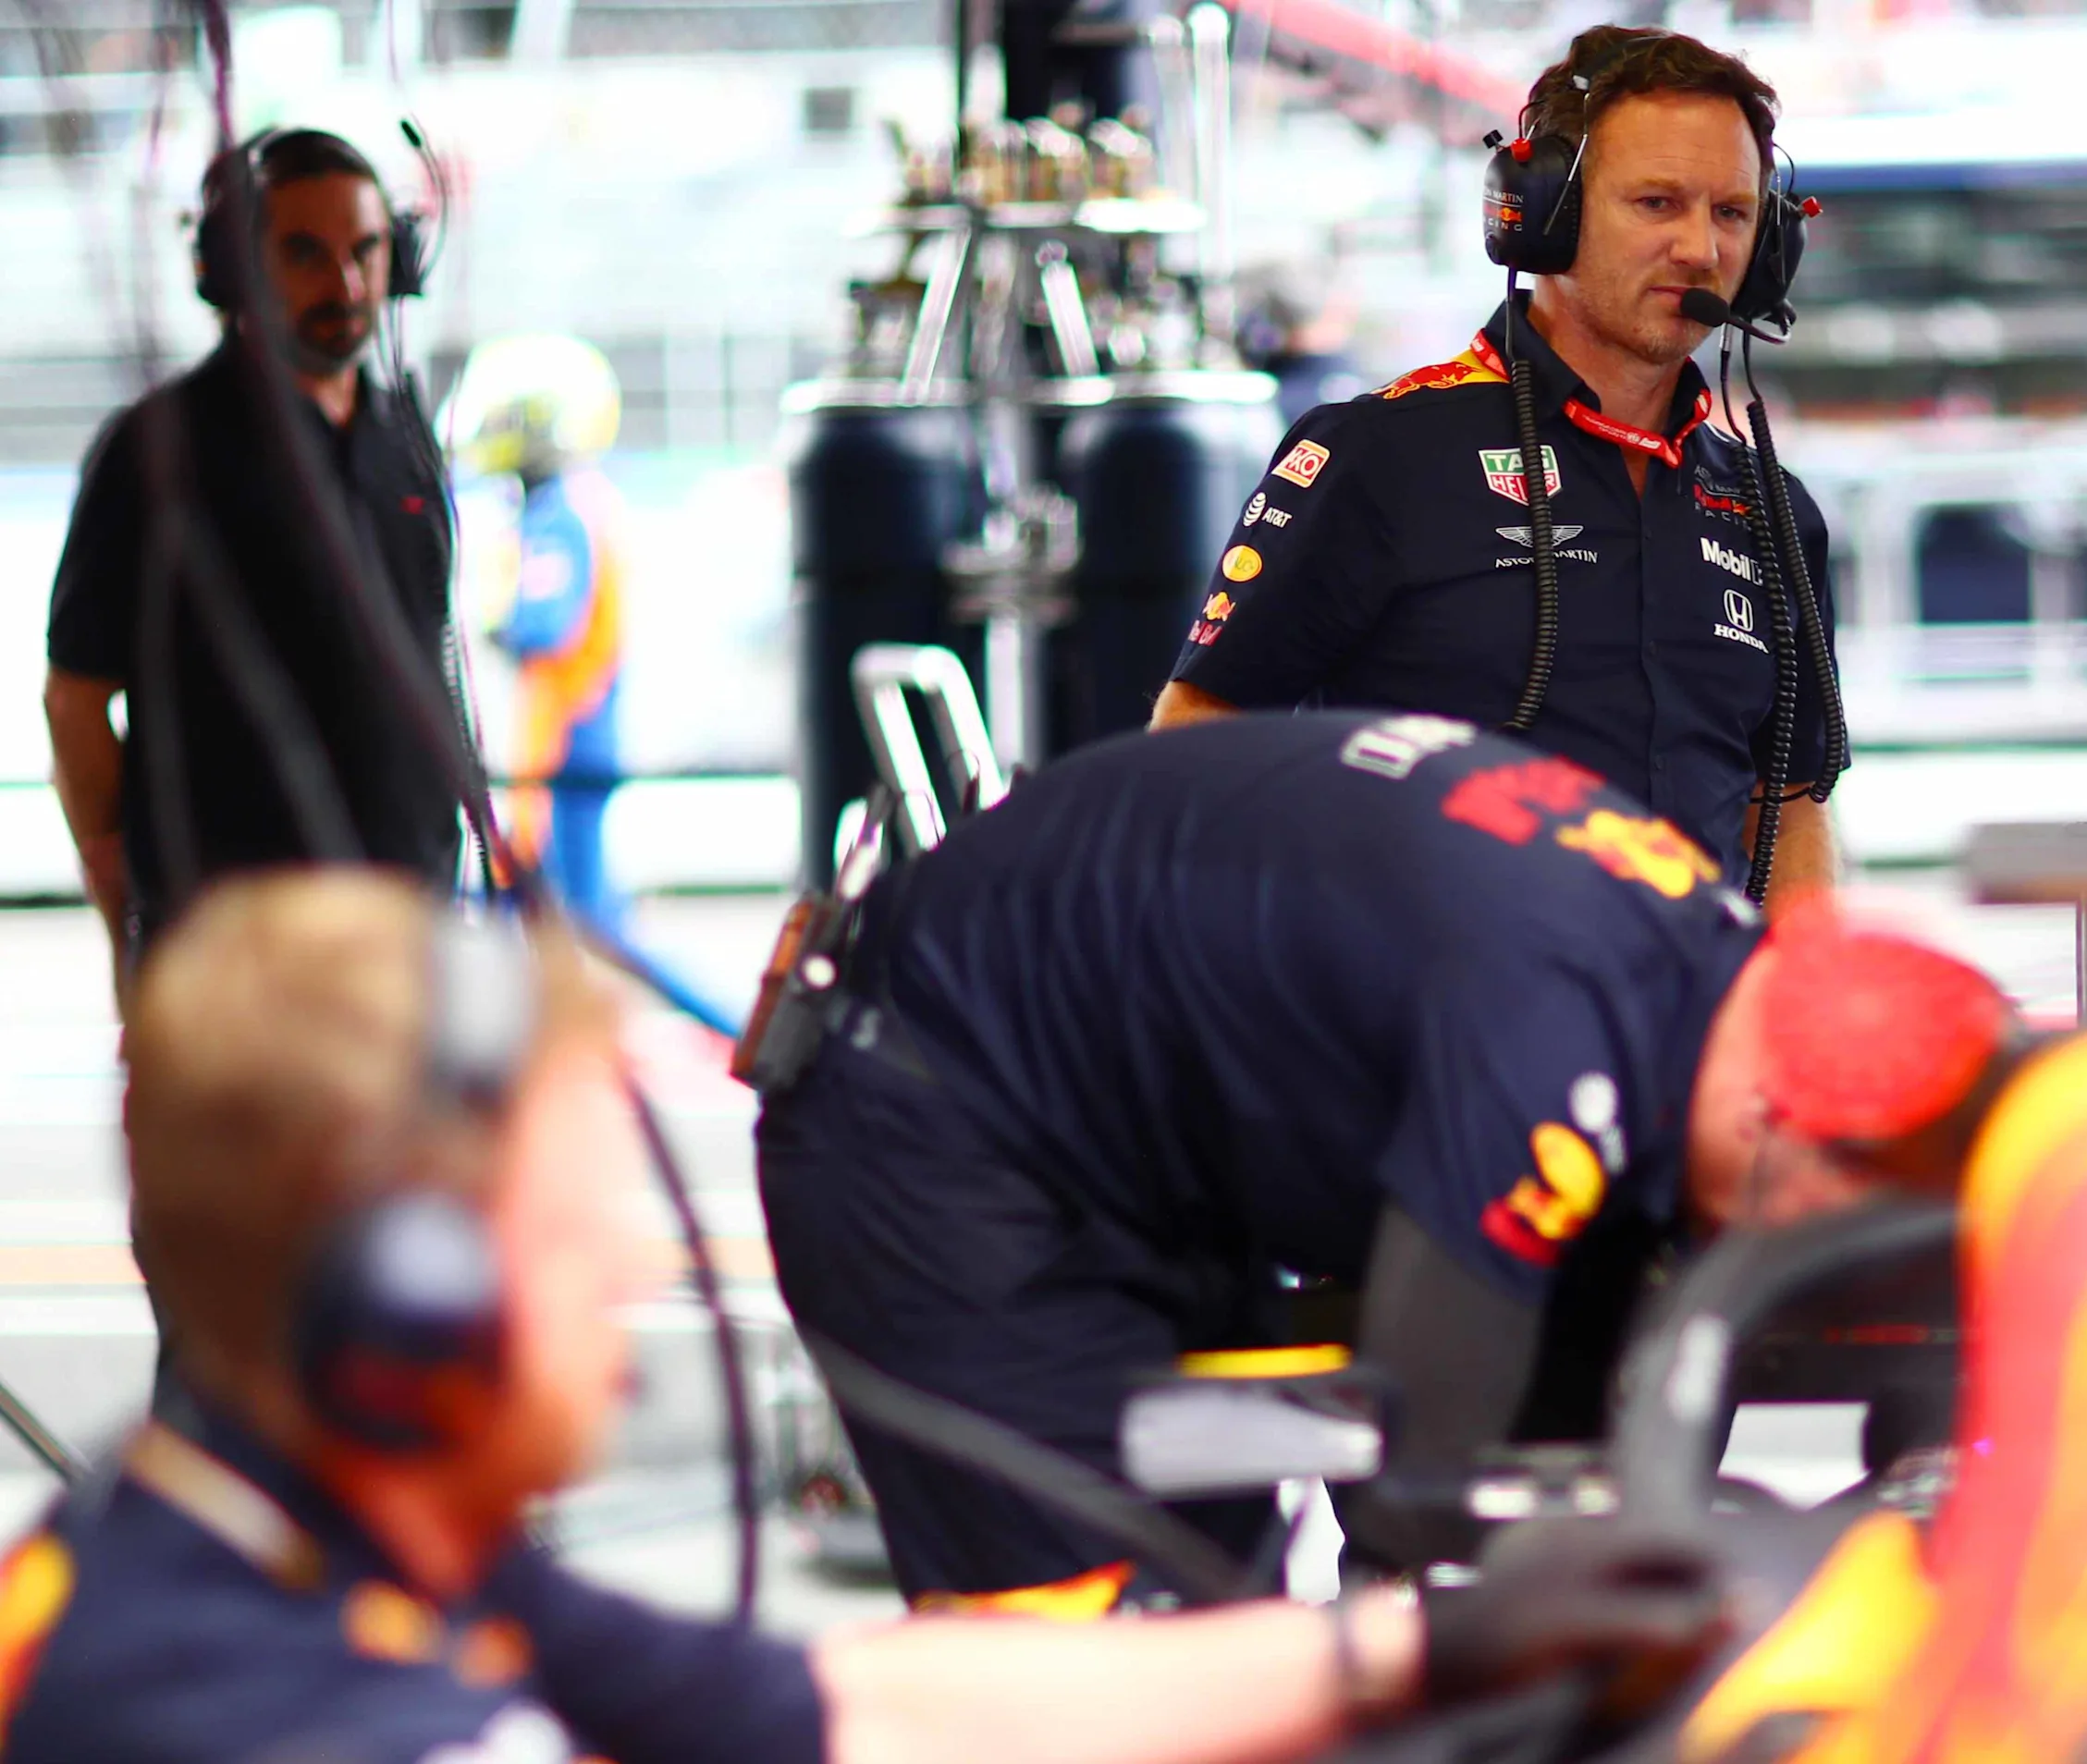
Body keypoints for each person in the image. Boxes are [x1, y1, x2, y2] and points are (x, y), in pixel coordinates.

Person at [0, 869, 1722, 1762]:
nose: (639, 1263)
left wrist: (1415, 1645)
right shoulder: (240, 1706)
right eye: (582, 1215)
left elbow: (867, 1714)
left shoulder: (313, 1539)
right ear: (410, 1283)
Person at [755, 711, 2018, 1602]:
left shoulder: (1693, 954)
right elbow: (1429, 1475)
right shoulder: (1554, 1057)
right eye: (1826, 1222)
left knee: (1220, 1646)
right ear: (1770, 1124)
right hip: (935, 1129)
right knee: (1083, 1672)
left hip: (1129, 1151)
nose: (1805, 1261)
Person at [1152, 27, 1846, 903]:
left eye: (1733, 213)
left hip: (1692, 1022)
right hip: (1428, 1023)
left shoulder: (1772, 509)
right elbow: (1197, 747)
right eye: (1657, 204)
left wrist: (1810, 1014)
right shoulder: (1377, 456)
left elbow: (1787, 805)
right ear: (1544, 210)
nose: (1701, 250)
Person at [42, 129, 462, 988]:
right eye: (304, 253)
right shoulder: (156, 450)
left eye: (367, 250)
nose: (344, 285)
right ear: (232, 268)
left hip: (406, 932)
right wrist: (124, 899)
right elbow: (77, 700)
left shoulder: (408, 442)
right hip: (230, 947)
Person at [451, 334, 631, 929]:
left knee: (581, 916)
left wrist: (497, 615)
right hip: (566, 732)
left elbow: (542, 625)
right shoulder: (565, 504)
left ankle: (726, 1021)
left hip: (567, 736)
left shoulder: (561, 514)